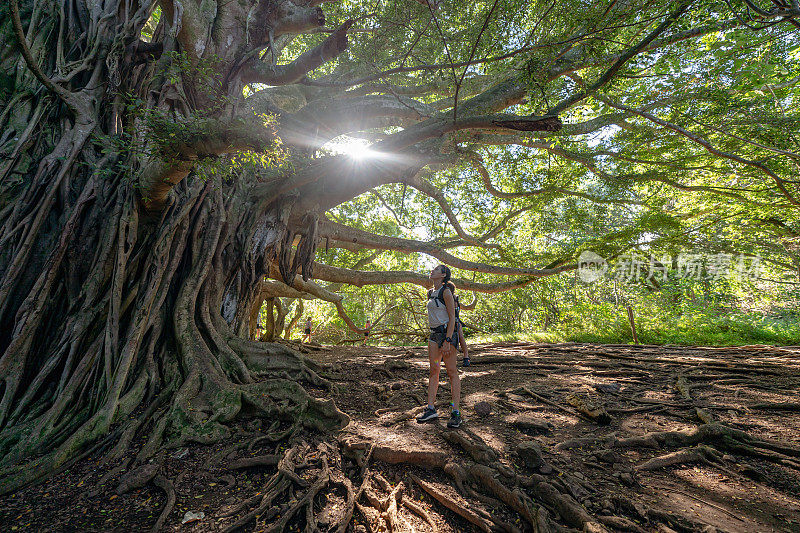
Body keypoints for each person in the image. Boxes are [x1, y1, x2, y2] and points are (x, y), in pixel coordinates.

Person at [417, 265, 462, 428]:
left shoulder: (446, 292)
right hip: (433, 336)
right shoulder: (430, 293)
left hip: (446, 335)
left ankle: (455, 412)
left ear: (443, 275)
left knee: (451, 372)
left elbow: (452, 318)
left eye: (436, 270)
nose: (432, 271)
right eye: (432, 269)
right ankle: (430, 409)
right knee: (434, 371)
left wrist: (448, 340)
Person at [447, 281, 470, 367]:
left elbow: (455, 312)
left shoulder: (454, 298)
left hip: (456, 321)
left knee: (460, 337)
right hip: (447, 321)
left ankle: (466, 357)